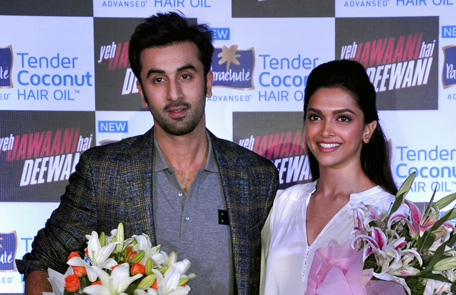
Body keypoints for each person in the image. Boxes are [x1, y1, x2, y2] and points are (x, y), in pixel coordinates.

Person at [17, 11, 279, 295]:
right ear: (142, 92)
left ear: (208, 82)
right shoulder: (104, 172)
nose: (174, 94)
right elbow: (43, 262)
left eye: (185, 75)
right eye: (158, 80)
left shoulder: (256, 176)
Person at [260, 59, 397, 294]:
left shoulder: (389, 214)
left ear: (367, 129)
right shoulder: (283, 204)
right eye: (316, 117)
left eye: (342, 118)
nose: (326, 131)